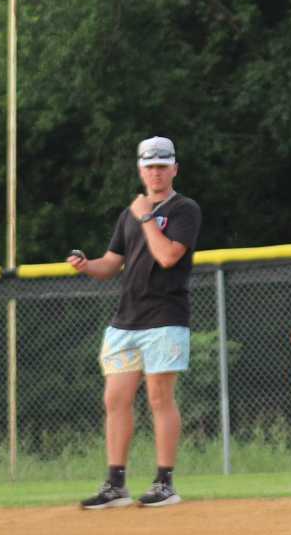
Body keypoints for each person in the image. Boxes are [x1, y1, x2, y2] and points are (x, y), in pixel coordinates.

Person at [68, 136, 202, 509]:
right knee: (115, 398)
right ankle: (116, 485)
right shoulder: (129, 214)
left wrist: (146, 216)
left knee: (160, 397)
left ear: (174, 169)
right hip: (126, 320)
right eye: (149, 166)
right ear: (141, 170)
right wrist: (86, 266)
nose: (156, 172)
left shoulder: (184, 209)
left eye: (162, 166)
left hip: (165, 317)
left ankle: (164, 483)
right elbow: (111, 264)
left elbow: (168, 256)